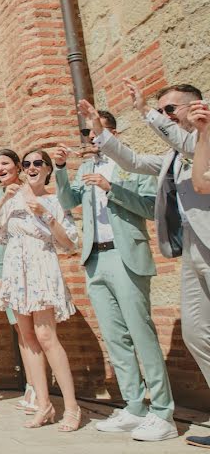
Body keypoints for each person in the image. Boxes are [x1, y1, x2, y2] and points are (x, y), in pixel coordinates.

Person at [80, 80, 209, 448]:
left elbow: (187, 146)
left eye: (170, 110)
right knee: (197, 333)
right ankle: (136, 405)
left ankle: (160, 410)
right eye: (163, 110)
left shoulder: (201, 139)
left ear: (194, 106)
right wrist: (101, 134)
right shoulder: (172, 155)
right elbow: (135, 161)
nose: (166, 116)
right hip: (191, 248)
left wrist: (144, 112)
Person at [54, 111, 176, 441]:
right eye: (87, 133)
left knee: (141, 332)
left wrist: (113, 188)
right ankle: (134, 406)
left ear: (112, 132)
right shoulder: (87, 168)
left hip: (126, 255)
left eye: (97, 131)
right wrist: (61, 170)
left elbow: (152, 208)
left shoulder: (131, 166)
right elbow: (68, 201)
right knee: (115, 337)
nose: (90, 138)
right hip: (95, 258)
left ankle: (163, 411)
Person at [0, 149, 81, 431]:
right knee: (27, 335)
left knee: (47, 335)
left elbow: (69, 244)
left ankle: (71, 407)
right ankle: (43, 405)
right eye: (27, 164)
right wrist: (4, 201)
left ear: (47, 169)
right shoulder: (13, 198)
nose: (32, 167)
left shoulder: (54, 200)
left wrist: (46, 216)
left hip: (41, 266)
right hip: (15, 268)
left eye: (38, 163)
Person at [0, 149, 45, 414]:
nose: (1, 169)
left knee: (37, 328)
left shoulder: (30, 190)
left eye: (6, 164)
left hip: (30, 261)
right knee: (19, 328)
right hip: (5, 262)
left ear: (18, 166)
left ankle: (39, 386)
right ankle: (31, 383)